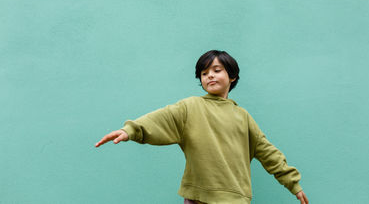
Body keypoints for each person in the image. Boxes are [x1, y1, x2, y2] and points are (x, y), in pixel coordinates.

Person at [95, 50, 309, 204]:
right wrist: (129, 131)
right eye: (204, 73)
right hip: (198, 198)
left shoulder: (243, 116)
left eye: (217, 70)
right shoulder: (190, 107)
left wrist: (293, 183)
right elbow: (160, 119)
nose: (210, 76)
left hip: (234, 198)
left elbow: (267, 152)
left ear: (232, 77)